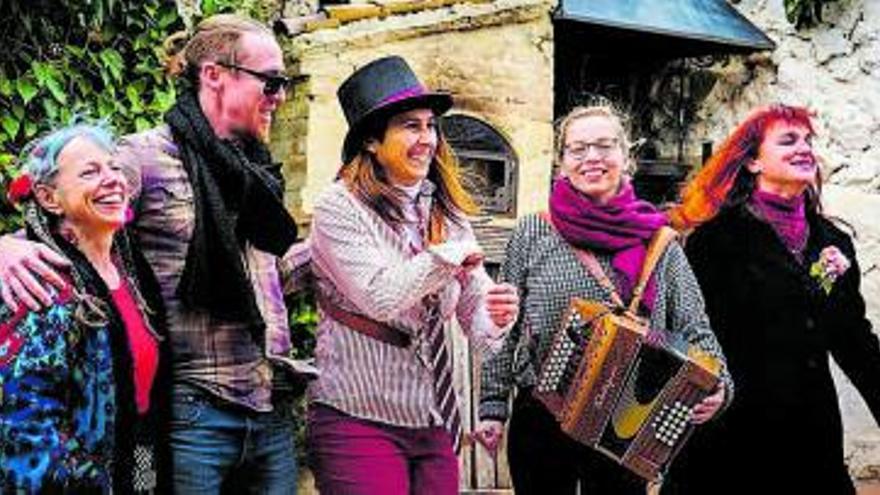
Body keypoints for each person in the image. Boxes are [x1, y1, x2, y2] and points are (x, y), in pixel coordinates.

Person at [0, 14, 306, 494]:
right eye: (270, 82)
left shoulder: (257, 174)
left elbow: (264, 277)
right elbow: (65, 216)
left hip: (267, 408)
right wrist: (3, 248)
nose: (280, 96)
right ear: (214, 75)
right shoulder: (142, 159)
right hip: (196, 414)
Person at [475, 104, 732, 494]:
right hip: (542, 415)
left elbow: (695, 327)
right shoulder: (533, 232)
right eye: (578, 150)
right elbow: (503, 325)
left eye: (604, 146)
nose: (592, 158)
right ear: (561, 163)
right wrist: (492, 406)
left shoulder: (660, 242)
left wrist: (720, 386)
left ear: (625, 157)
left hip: (626, 425)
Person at [306, 55, 519, 495]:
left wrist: (494, 315)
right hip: (357, 417)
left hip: (431, 417)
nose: (427, 139)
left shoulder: (441, 206)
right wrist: (447, 257)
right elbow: (381, 296)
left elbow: (473, 316)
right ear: (370, 141)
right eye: (410, 126)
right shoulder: (338, 208)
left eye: (430, 126)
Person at [663, 104, 880, 495]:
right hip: (732, 435)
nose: (804, 149)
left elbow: (855, 341)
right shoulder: (714, 240)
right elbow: (686, 333)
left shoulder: (832, 243)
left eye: (808, 140)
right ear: (751, 162)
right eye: (788, 140)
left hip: (811, 436)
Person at [0, 123, 170, 493]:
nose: (112, 180)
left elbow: (143, 409)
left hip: (137, 457)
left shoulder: (130, 272)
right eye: (90, 172)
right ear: (49, 198)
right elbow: (26, 424)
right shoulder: (41, 283)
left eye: (113, 167)